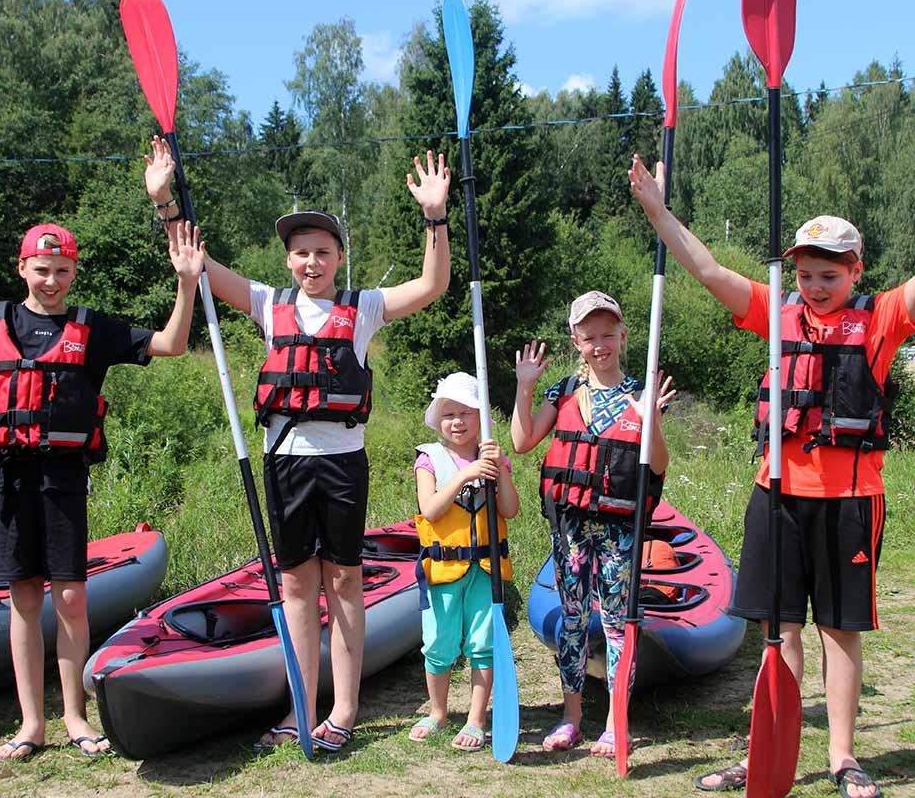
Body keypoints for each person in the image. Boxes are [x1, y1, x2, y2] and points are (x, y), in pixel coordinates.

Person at [629, 141, 915, 798]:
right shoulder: (777, 316)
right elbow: (707, 270)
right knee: (778, 633)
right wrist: (658, 214)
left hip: (849, 501)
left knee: (839, 632)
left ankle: (842, 757)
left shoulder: (882, 321)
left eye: (829, 276)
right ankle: (767, 753)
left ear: (855, 271)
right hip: (776, 497)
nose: (815, 286)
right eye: (806, 274)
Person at [144, 136, 452, 752]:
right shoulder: (267, 303)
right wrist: (166, 203)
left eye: (322, 251)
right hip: (285, 462)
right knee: (295, 589)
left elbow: (432, 284)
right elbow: (197, 262)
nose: (312, 262)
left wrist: (435, 216)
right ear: (288, 261)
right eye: (301, 252)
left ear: (339, 257)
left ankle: (343, 712)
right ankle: (299, 708)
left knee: (343, 584)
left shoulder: (361, 308)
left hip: (341, 463)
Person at [0, 220, 205, 760]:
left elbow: (174, 344)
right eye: (41, 270)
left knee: (69, 598)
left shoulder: (93, 329)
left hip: (63, 481)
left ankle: (75, 717)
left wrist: (186, 283)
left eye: (62, 270)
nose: (51, 280)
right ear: (22, 268)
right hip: (10, 481)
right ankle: (31, 723)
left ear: (73, 272)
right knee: (23, 601)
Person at [511, 291, 675, 758]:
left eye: (608, 334)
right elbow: (522, 441)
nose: (599, 344)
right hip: (571, 527)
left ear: (623, 335)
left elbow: (658, 464)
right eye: (589, 337)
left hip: (620, 527)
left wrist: (652, 424)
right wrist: (524, 388)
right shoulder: (561, 391)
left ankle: (614, 720)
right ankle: (572, 716)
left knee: (619, 621)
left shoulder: (643, 395)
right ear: (576, 340)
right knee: (574, 618)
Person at [407, 372, 519, 751]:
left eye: (465, 413)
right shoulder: (429, 460)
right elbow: (431, 509)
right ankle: (438, 712)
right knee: (438, 644)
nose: (457, 421)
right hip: (442, 572)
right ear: (438, 421)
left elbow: (510, 509)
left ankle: (476, 718)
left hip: (485, 571)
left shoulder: (493, 459)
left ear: (480, 418)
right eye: (448, 414)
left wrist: (497, 468)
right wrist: (465, 475)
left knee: (482, 644)